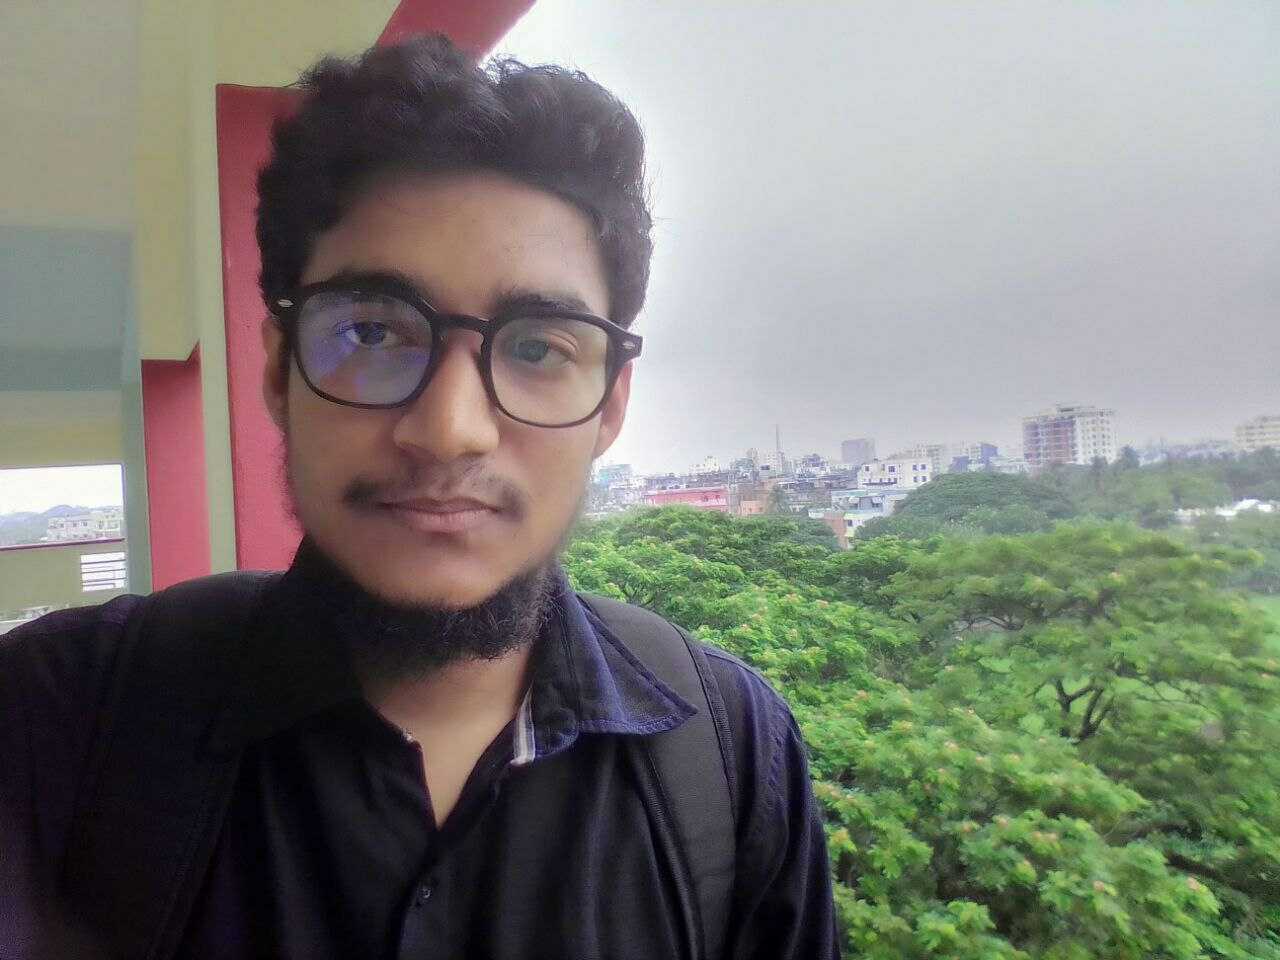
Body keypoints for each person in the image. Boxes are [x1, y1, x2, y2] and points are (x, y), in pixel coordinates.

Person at [0, 34, 839, 959]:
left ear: (610, 406)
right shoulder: (56, 723)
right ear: (279, 373)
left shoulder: (732, 756)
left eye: (537, 348)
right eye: (372, 332)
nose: (450, 430)